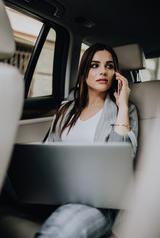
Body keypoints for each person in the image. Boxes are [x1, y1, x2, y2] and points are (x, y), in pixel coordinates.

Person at [35, 43, 138, 238]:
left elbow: (120, 161)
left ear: (116, 73)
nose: (103, 71)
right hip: (55, 193)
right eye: (95, 65)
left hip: (97, 204)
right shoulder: (66, 110)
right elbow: (47, 152)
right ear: (84, 72)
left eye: (109, 66)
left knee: (61, 231)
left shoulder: (126, 111)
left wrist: (122, 106)